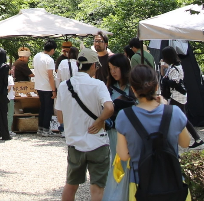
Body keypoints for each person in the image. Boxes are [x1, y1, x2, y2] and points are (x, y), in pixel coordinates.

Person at [114, 65, 191, 200]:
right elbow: (185, 143)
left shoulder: (124, 116)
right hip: (174, 184)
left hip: (140, 186)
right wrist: (165, 107)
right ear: (156, 87)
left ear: (133, 89)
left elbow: (123, 155)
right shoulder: (174, 112)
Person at [55, 48, 114, 201]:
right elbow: (109, 108)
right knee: (97, 188)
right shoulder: (98, 85)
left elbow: (60, 117)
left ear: (78, 64)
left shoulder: (64, 86)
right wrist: (99, 121)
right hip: (97, 142)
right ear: (94, 65)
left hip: (75, 143)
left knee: (71, 185)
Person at [160, 47, 204, 148]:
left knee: (171, 117)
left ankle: (171, 141)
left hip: (177, 96)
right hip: (179, 95)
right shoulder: (176, 66)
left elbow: (174, 82)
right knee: (182, 118)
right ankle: (197, 139)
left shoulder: (174, 68)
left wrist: (165, 81)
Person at [103, 53, 133, 201]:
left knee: (130, 163)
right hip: (114, 130)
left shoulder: (133, 86)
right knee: (116, 162)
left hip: (132, 131)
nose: (113, 71)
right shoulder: (109, 88)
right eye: (110, 68)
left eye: (116, 67)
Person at [33, 39, 57, 137]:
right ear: (52, 50)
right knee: (48, 108)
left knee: (42, 107)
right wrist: (54, 90)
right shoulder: (49, 60)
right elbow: (50, 76)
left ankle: (40, 128)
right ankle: (46, 129)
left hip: (39, 86)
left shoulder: (37, 56)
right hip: (47, 87)